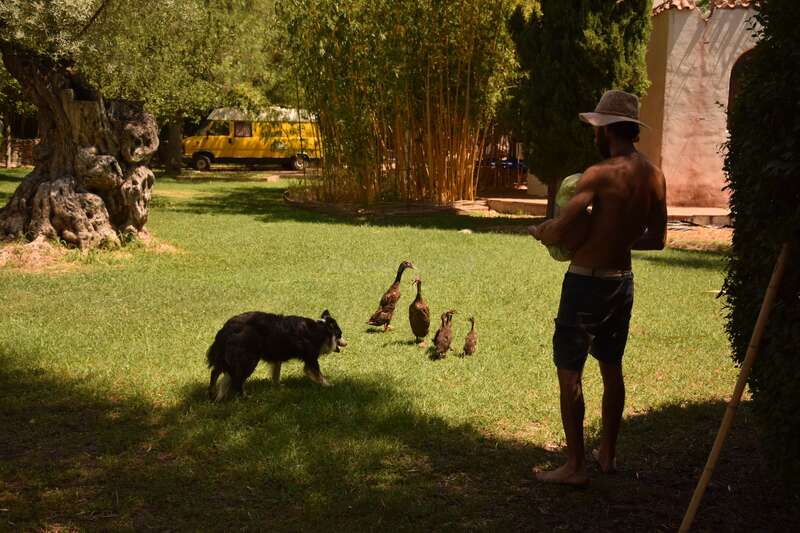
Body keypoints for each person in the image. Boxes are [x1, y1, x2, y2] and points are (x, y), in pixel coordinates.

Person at [528, 90, 668, 486]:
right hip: (621, 285)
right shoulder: (654, 175)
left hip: (585, 285)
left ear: (605, 131)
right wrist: (617, 242)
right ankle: (607, 453)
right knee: (612, 368)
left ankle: (575, 467)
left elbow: (560, 226)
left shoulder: (598, 174)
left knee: (569, 373)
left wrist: (541, 232)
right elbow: (657, 239)